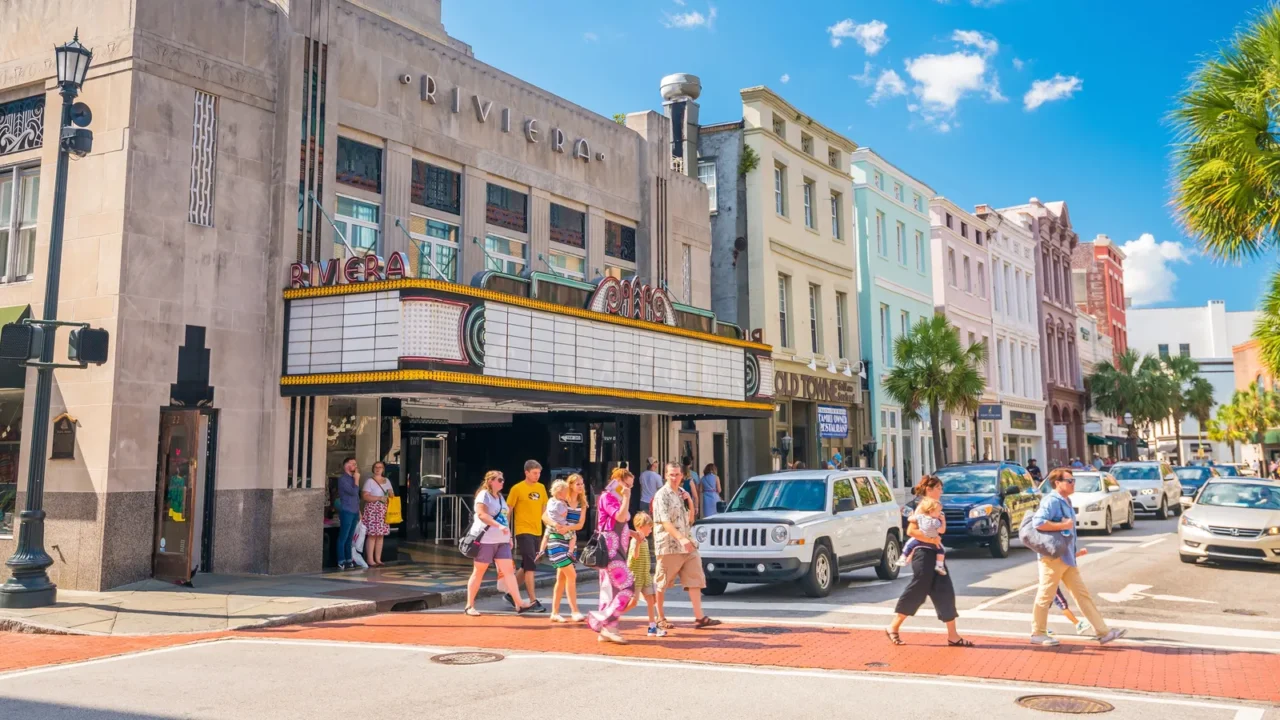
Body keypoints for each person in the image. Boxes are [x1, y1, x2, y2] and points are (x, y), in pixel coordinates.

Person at [1029, 468, 1125, 646]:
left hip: (1066, 557)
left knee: (1082, 594)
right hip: (1053, 558)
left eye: (1073, 480)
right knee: (1045, 595)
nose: (1073, 483)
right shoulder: (1052, 500)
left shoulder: (1066, 499)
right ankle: (1038, 633)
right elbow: (1038, 522)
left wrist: (1073, 551)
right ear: (1057, 483)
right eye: (1069, 480)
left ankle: (1103, 632)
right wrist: (1062, 525)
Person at [886, 475, 973, 647]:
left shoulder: (935, 507)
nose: (941, 491)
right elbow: (911, 530)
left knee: (945, 590)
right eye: (939, 488)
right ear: (929, 489)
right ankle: (893, 627)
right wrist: (931, 540)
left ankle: (953, 636)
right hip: (923, 554)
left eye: (941, 488)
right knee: (918, 589)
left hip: (934, 554)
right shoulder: (922, 507)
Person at [653, 462, 721, 630]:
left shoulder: (681, 494)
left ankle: (700, 618)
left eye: (677, 474)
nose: (675, 478)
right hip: (669, 546)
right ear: (666, 475)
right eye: (671, 474)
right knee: (662, 583)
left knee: (695, 579)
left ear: (682, 476)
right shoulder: (662, 496)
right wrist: (680, 538)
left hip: (688, 544)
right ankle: (660, 617)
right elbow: (665, 522)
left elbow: (689, 520)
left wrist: (690, 501)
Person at [464, 470, 532, 616]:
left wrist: (509, 537)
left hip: (502, 540)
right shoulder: (484, 495)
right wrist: (498, 526)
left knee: (509, 572)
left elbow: (504, 518)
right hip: (486, 540)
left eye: (503, 479)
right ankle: (470, 605)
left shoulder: (500, 497)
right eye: (499, 480)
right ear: (491, 481)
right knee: (479, 572)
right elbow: (481, 514)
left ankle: (519, 603)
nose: (502, 482)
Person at [588, 467, 636, 644]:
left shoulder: (615, 497)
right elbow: (620, 516)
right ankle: (604, 621)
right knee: (627, 587)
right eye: (626, 484)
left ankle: (609, 629)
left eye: (630, 486)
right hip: (611, 549)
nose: (628, 488)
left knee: (610, 590)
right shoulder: (609, 497)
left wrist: (632, 533)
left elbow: (619, 522)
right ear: (617, 481)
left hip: (617, 548)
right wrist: (627, 497)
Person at [507, 459, 548, 612]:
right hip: (523, 531)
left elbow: (544, 510)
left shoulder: (542, 488)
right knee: (530, 566)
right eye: (535, 473)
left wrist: (549, 529)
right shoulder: (517, 488)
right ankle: (533, 600)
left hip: (537, 530)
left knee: (527, 564)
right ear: (527, 473)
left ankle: (511, 594)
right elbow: (508, 510)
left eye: (539, 473)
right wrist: (505, 530)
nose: (537, 476)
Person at [543, 477, 585, 623]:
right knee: (572, 575)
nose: (581, 486)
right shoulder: (560, 500)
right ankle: (575, 611)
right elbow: (544, 516)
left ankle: (554, 612)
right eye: (577, 484)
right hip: (556, 540)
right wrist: (556, 525)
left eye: (582, 484)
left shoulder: (582, 503)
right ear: (570, 486)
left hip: (570, 541)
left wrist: (568, 528)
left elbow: (580, 525)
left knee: (561, 578)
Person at [625, 511, 664, 637]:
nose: (651, 530)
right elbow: (633, 557)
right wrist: (637, 544)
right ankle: (613, 616)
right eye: (649, 527)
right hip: (636, 575)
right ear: (641, 527)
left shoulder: (645, 541)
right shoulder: (635, 541)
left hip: (645, 574)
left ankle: (652, 626)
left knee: (651, 599)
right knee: (633, 602)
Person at [897, 496, 946, 576]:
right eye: (938, 511)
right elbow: (942, 530)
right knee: (941, 550)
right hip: (933, 540)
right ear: (931, 511)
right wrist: (943, 521)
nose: (940, 513)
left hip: (920, 539)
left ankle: (903, 557)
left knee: (909, 545)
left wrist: (911, 515)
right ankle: (939, 565)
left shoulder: (921, 517)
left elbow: (910, 519)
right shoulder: (936, 522)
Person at [360, 461, 395, 566]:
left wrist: (390, 495)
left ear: (383, 469)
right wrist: (378, 498)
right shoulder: (369, 481)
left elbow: (392, 494)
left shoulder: (387, 480)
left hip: (383, 510)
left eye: (380, 467)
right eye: (376, 467)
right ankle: (370, 559)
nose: (378, 469)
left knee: (380, 535)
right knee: (372, 535)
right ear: (373, 469)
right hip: (373, 510)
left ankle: (378, 559)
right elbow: (365, 496)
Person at [334, 457, 361, 570]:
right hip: (347, 510)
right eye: (352, 464)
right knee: (343, 537)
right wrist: (357, 480)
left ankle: (349, 560)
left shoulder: (353, 478)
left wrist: (359, 511)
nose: (355, 466)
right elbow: (353, 492)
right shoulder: (343, 479)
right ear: (346, 466)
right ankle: (341, 560)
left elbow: (357, 497)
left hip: (354, 510)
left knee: (350, 537)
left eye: (355, 463)